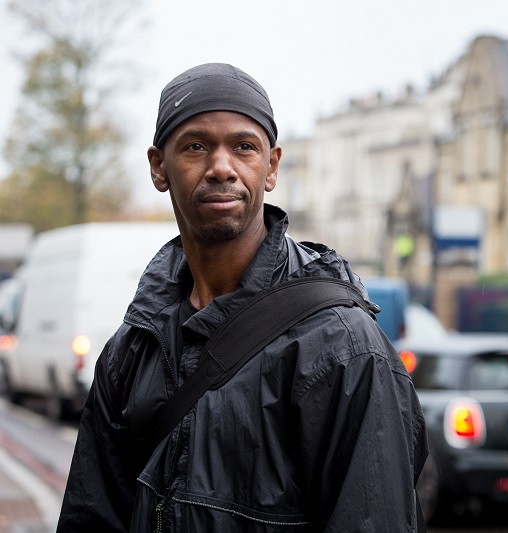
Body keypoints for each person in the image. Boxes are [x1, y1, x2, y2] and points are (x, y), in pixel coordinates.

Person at [57, 63, 428, 532]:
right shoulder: (133, 349)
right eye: (195, 146)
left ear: (270, 167)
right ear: (158, 167)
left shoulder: (342, 349)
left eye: (243, 147)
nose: (221, 167)